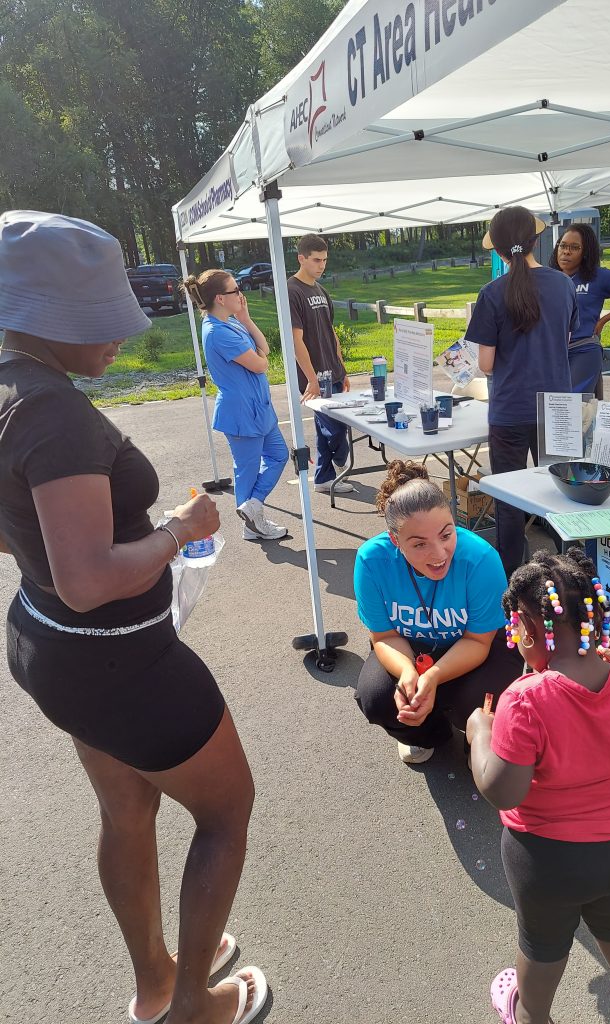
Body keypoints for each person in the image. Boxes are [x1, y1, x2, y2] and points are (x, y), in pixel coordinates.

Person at [0, 211, 267, 1024]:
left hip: (50, 646)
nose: (119, 339)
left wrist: (47, 546)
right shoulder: (52, 412)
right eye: (100, 324)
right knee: (226, 810)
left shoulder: (10, 388)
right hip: (121, 659)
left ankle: (155, 978)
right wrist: (178, 532)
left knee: (127, 808)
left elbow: (40, 552)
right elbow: (88, 579)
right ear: (45, 320)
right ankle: (191, 1005)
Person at [467, 547, 610, 1024]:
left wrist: (479, 734)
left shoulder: (523, 699)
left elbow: (503, 790)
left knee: (542, 944)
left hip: (547, 861)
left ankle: (530, 1015)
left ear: (525, 628)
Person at [354, 460, 520, 765]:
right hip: (411, 648)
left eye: (446, 535)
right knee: (376, 697)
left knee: (483, 696)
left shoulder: (481, 559)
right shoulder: (371, 561)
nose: (439, 554)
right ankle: (427, 734)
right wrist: (407, 673)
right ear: (395, 541)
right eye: (419, 545)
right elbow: (384, 636)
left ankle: (480, 738)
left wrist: (432, 676)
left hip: (473, 647)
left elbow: (478, 642)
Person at [465, 207, 579, 578]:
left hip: (510, 408)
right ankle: (570, 574)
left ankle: (513, 579)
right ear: (535, 241)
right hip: (558, 408)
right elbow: (566, 340)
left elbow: (485, 364)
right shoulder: (562, 284)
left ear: (497, 250)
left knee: (510, 502)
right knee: (563, 496)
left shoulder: (491, 293)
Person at [184, 269, 289, 542]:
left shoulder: (232, 323)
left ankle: (252, 508)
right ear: (220, 298)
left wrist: (246, 318)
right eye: (235, 290)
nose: (241, 295)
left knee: (278, 455)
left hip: (258, 408)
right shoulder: (217, 331)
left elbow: (265, 348)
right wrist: (261, 356)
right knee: (247, 470)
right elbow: (261, 363)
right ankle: (252, 523)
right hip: (242, 412)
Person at [286, 233, 353, 494]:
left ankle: (324, 477)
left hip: (332, 371)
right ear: (301, 258)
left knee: (330, 424)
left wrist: (342, 367)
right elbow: (295, 340)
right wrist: (312, 379)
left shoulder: (320, 289)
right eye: (316, 260)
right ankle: (339, 460)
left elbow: (330, 331)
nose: (322, 265)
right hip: (316, 377)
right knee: (334, 427)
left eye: (325, 260)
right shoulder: (292, 291)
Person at [549, 223, 610, 399]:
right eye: (563, 245)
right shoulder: (549, 278)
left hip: (583, 349)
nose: (566, 251)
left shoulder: (598, 276)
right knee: (553, 408)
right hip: (554, 353)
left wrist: (604, 320)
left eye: (574, 247)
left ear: (585, 252)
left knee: (573, 406)